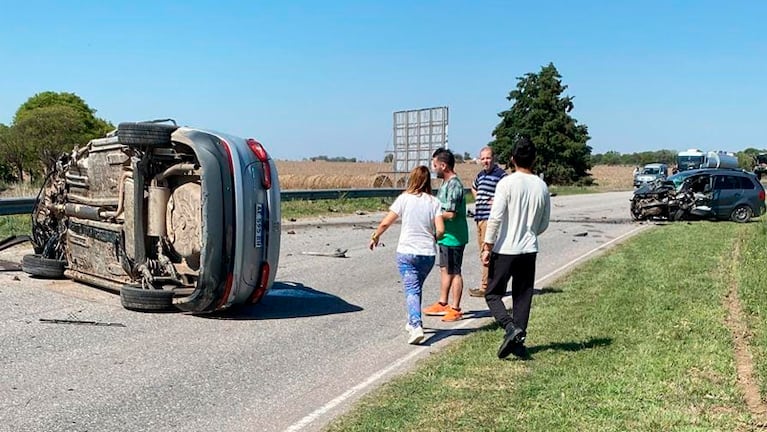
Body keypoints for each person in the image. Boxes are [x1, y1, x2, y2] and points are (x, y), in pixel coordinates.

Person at [481, 137, 550, 359]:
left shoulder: (506, 183)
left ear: (512, 159)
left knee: (492, 293)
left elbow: (495, 218)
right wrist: (530, 232)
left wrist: (487, 245)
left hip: (505, 248)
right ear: (535, 159)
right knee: (522, 297)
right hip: (529, 248)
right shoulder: (541, 186)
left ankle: (510, 328)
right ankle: (519, 343)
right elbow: (544, 223)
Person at [369, 166, 444, 345]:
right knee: (416, 287)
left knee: (412, 289)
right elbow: (441, 229)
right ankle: (412, 320)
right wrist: (433, 237)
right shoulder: (434, 202)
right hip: (427, 253)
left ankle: (416, 325)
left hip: (407, 251)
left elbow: (386, 222)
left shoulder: (404, 199)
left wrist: (375, 236)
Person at [422, 148, 469, 322]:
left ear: (443, 165)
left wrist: (433, 217)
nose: (433, 169)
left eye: (435, 165)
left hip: (454, 237)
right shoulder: (446, 184)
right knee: (444, 269)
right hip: (445, 236)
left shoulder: (455, 185)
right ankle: (443, 303)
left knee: (455, 271)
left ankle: (455, 308)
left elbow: (451, 213)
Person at [469, 146, 507, 298]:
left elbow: (508, 193)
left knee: (487, 252)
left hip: (490, 219)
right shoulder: (481, 175)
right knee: (482, 253)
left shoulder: (501, 175)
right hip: (479, 217)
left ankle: (486, 287)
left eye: (488, 158)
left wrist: (497, 201)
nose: (485, 161)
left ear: (494, 158)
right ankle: (492, 284)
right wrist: (479, 198)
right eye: (483, 158)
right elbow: (473, 187)